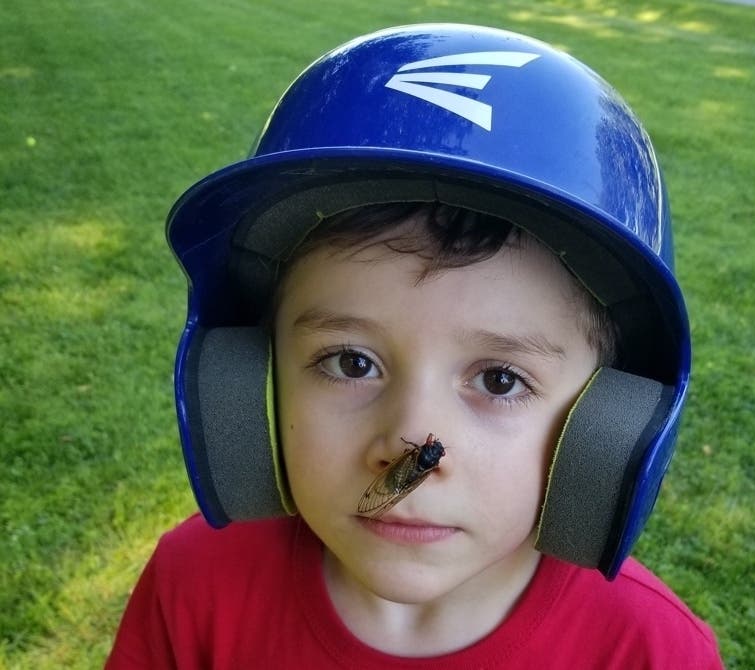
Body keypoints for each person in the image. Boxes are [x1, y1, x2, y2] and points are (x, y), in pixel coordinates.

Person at [107, 23, 723, 668]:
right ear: (248, 379)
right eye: (352, 363)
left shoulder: (651, 649)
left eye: (499, 380)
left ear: (610, 423)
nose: (404, 437)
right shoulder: (191, 585)